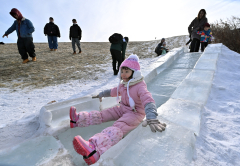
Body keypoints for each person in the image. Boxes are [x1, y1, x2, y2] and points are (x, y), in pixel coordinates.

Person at [69, 54, 166, 165]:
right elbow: (113, 91)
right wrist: (101, 94)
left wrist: (151, 116)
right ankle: (78, 119)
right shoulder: (123, 84)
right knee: (104, 114)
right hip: (122, 108)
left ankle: (94, 148)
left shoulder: (140, 86)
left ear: (134, 73)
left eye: (127, 71)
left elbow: (148, 99)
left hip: (135, 114)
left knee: (118, 126)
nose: (123, 74)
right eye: (122, 71)